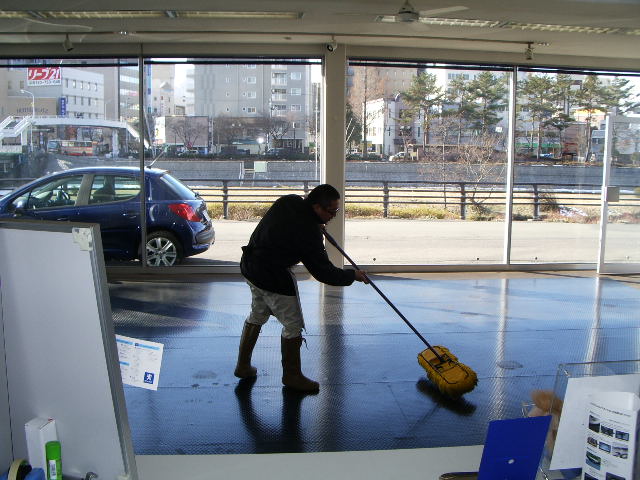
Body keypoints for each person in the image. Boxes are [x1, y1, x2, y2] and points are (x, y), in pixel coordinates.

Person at [235, 184, 368, 393]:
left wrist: (315, 224)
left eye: (336, 211)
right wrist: (353, 276)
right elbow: (324, 273)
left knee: (258, 313)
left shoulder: (289, 201)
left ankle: (243, 367)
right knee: (293, 325)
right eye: (330, 211)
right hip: (272, 276)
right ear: (316, 207)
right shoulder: (309, 234)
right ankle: (292, 375)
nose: (333, 215)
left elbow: (287, 225)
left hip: (250, 266)